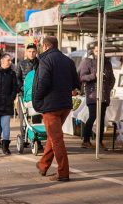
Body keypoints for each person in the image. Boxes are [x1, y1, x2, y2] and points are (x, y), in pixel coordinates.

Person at [33, 36, 80, 182]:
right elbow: (76, 83)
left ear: (46, 46)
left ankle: (63, 172)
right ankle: (43, 165)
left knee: (56, 139)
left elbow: (43, 83)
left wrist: (37, 99)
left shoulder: (45, 60)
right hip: (65, 105)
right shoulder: (68, 61)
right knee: (54, 137)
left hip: (50, 105)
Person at [79, 46, 115, 149]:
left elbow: (112, 78)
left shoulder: (107, 63)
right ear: (93, 52)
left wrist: (109, 87)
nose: (99, 52)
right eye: (96, 50)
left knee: (101, 118)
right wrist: (94, 76)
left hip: (104, 94)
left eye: (101, 50)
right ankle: (86, 140)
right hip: (92, 94)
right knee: (93, 116)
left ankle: (99, 141)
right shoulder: (88, 61)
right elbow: (82, 77)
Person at [16, 43, 38, 133]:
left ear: (36, 52)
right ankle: (23, 137)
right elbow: (17, 79)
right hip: (23, 94)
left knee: (37, 117)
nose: (31, 53)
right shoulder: (21, 64)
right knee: (24, 118)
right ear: (26, 52)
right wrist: (23, 89)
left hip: (37, 94)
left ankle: (37, 137)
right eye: (29, 51)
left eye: (33, 51)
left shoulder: (41, 63)